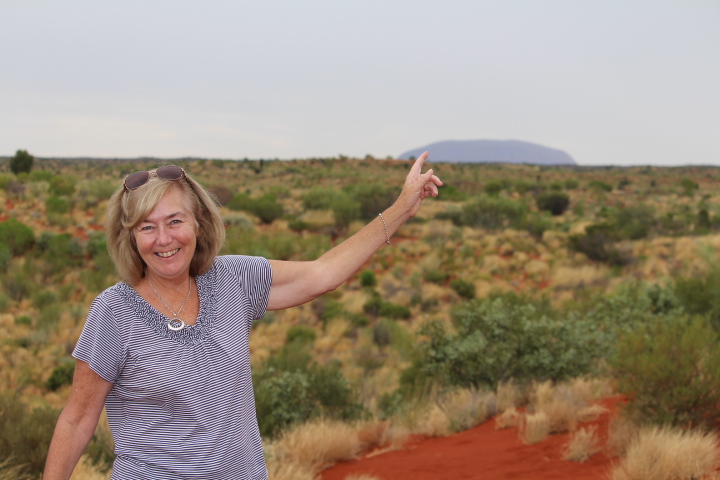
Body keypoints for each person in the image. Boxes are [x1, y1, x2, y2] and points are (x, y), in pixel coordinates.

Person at [43, 152, 442, 480]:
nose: (163, 240)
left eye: (175, 221)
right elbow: (77, 421)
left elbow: (323, 274)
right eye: (147, 227)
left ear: (198, 222)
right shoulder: (114, 313)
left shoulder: (233, 279)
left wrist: (401, 208)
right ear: (130, 237)